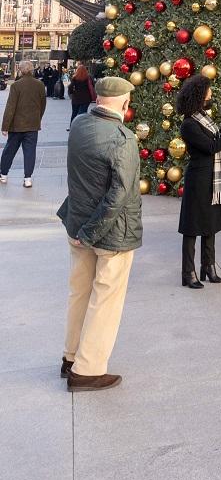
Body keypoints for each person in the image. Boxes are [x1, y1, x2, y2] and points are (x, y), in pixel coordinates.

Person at [57, 76, 141, 391]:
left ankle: (70, 357)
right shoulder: (123, 139)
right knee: (106, 299)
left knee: (79, 292)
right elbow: (119, 197)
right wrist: (92, 232)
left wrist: (83, 231)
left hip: (77, 225)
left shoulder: (79, 124)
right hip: (108, 234)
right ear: (125, 102)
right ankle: (88, 370)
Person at [176, 74, 221, 289]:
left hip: (212, 178)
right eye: (208, 91)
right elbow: (211, 147)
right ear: (199, 95)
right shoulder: (189, 124)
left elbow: (213, 139)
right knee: (192, 226)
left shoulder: (202, 117)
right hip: (200, 179)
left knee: (210, 224)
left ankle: (208, 267)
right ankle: (188, 272)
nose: (211, 94)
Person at [0, 60, 46, 187]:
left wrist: (5, 126)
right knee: (30, 152)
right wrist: (38, 118)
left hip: (16, 125)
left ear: (20, 70)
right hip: (32, 125)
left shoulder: (16, 85)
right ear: (31, 70)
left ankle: (3, 175)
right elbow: (43, 105)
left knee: (9, 150)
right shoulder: (39, 85)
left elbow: (10, 107)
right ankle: (28, 178)